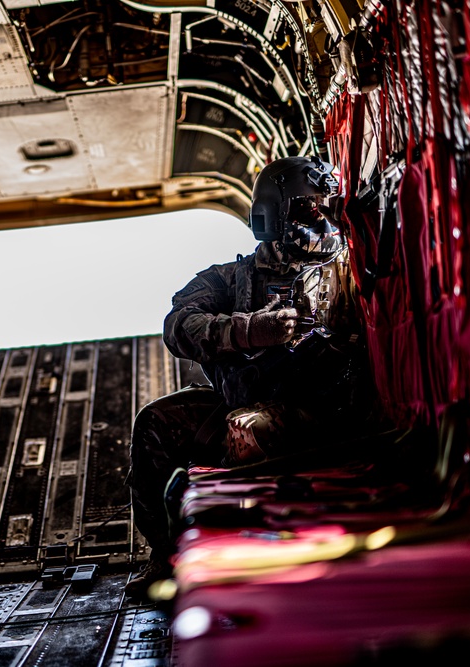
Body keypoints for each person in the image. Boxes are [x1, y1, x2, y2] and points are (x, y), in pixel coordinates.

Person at [125, 156, 361, 600]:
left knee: (249, 428)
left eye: (327, 207)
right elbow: (178, 326)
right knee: (155, 422)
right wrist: (249, 329)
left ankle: (271, 565)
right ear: (274, 215)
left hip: (328, 410)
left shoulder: (348, 269)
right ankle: (166, 555)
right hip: (240, 402)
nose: (324, 218)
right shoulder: (229, 280)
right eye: (309, 208)